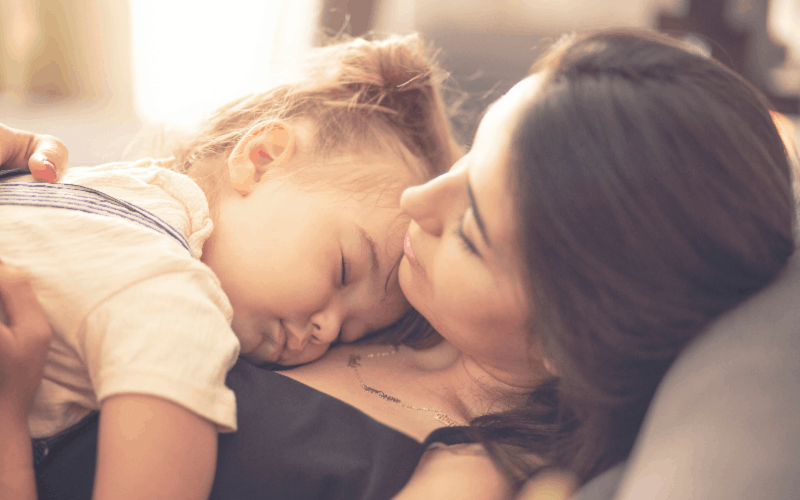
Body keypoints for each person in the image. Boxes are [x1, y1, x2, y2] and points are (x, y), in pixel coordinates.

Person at [2, 28, 797, 500]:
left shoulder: (469, 468)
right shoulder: (351, 273)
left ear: (563, 336)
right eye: (473, 152)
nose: (420, 204)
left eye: (472, 228)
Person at [0, 33, 460, 500]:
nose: (325, 329)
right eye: (343, 270)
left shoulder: (166, 295)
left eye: (350, 333)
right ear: (260, 159)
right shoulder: (157, 273)